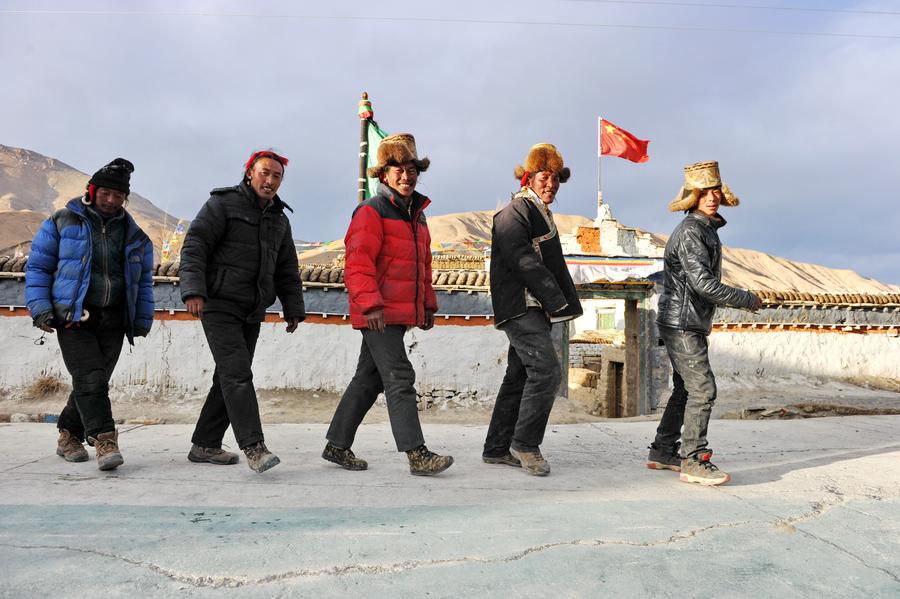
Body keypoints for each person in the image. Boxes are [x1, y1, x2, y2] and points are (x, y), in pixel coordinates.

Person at [323, 133, 453, 476]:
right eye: (398, 169)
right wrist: (370, 306)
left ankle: (337, 445)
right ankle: (417, 453)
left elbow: (423, 266)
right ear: (383, 175)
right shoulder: (371, 211)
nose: (406, 176)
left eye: (411, 168)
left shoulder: (418, 217)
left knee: (368, 379)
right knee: (399, 376)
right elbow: (358, 263)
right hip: (378, 313)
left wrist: (427, 306)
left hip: (399, 313)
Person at [179, 150, 305, 473]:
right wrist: (193, 290)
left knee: (228, 375)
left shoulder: (279, 219)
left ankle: (205, 443)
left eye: (277, 176)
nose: (270, 180)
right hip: (218, 304)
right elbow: (195, 245)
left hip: (252, 309)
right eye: (265, 173)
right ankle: (254, 446)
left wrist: (293, 307)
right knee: (237, 374)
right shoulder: (222, 205)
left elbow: (287, 268)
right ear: (250, 172)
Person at [25, 158, 154, 471]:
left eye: (118, 196)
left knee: (92, 383)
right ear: (92, 190)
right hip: (73, 315)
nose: (111, 201)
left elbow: (143, 280)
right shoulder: (63, 221)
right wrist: (40, 308)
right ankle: (105, 439)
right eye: (105, 193)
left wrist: (141, 318)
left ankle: (68, 435)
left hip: (114, 319)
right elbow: (38, 267)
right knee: (91, 379)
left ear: (125, 199)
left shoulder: (135, 235)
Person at [647, 160, 762, 486]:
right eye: (703, 192)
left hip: (685, 320)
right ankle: (694, 459)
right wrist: (747, 299)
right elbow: (704, 285)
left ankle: (663, 450)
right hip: (682, 323)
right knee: (703, 388)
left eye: (715, 191)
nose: (711, 197)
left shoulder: (703, 229)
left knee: (685, 387)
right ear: (692, 197)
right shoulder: (692, 232)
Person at [483, 143, 583, 476]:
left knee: (519, 376)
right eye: (544, 176)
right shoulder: (516, 211)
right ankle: (525, 443)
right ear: (529, 177)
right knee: (547, 371)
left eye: (555, 178)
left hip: (533, 306)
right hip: (521, 305)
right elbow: (523, 260)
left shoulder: (539, 212)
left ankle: (496, 448)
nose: (551, 184)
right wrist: (555, 298)